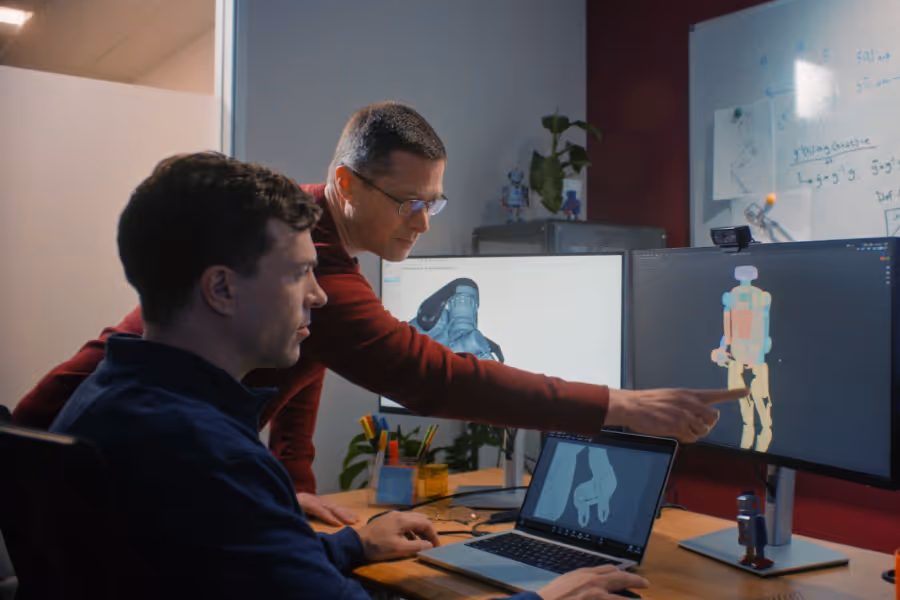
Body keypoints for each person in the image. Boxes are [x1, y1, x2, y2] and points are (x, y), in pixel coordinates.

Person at [15, 101, 746, 526]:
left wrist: (293, 493)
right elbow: (422, 373)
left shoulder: (320, 254)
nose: (425, 222)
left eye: (436, 202)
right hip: (67, 452)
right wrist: (617, 405)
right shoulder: (296, 249)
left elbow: (299, 369)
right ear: (344, 184)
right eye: (409, 202)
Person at [49, 152, 651, 599]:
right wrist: (544, 597)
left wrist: (351, 544)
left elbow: (225, 560)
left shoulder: (109, 401)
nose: (317, 297)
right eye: (297, 274)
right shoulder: (207, 455)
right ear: (222, 288)